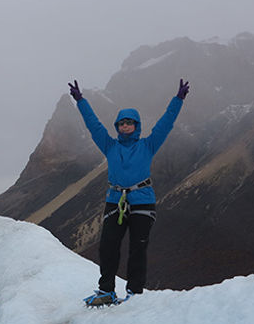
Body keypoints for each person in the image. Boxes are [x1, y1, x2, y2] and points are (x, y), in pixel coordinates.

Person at [68, 78, 189, 306]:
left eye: (129, 123)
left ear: (136, 125)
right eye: (121, 123)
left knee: (138, 247)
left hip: (142, 201)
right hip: (115, 200)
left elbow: (165, 124)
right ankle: (107, 291)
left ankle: (134, 293)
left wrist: (178, 100)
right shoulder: (110, 146)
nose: (125, 126)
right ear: (117, 126)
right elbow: (93, 125)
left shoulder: (147, 145)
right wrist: (80, 101)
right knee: (108, 246)